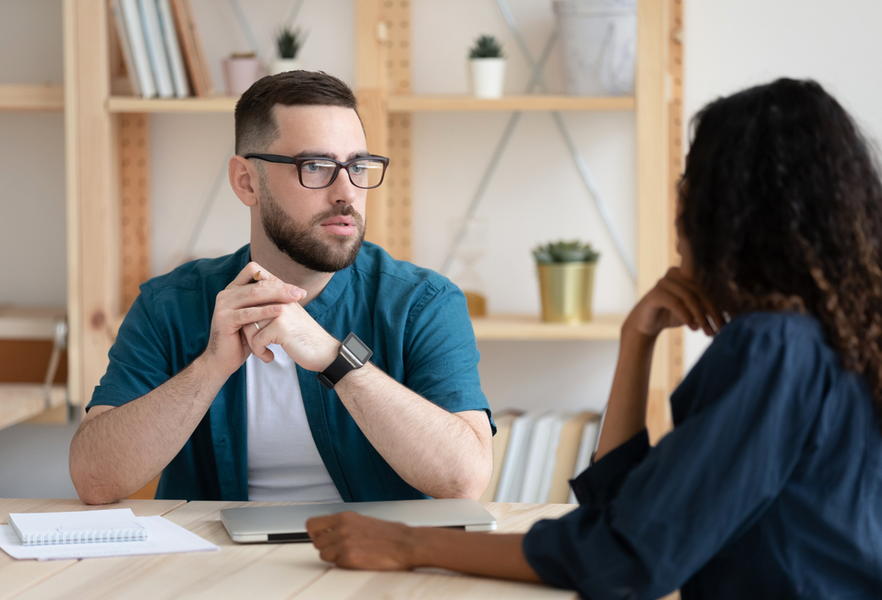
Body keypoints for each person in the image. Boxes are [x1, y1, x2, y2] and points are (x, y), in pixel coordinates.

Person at [306, 78, 882, 598]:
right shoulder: (837, 338)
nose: (679, 203)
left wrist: (409, 546)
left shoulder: (776, 348)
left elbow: (627, 558)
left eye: (691, 183)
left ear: (728, 212)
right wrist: (637, 341)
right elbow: (622, 512)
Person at [69, 71, 493, 505]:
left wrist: (334, 358)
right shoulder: (169, 305)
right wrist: (210, 368)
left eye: (358, 166)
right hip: (213, 564)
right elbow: (95, 479)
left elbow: (463, 480)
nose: (346, 192)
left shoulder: (422, 303)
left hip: (371, 562)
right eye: (316, 166)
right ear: (246, 182)